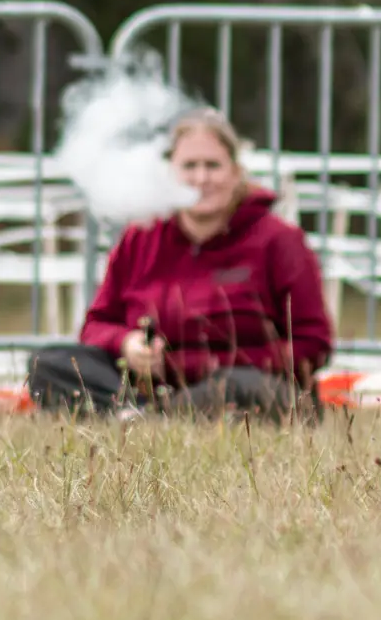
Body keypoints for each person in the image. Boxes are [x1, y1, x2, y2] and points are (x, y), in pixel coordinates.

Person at [28, 108, 332, 420]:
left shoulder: (280, 239)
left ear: (236, 171)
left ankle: (141, 418)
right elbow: (95, 327)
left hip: (242, 384)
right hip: (150, 386)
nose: (201, 179)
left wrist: (199, 366)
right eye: (189, 166)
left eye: (212, 166)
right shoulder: (139, 236)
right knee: (49, 364)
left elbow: (314, 344)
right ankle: (148, 416)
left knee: (239, 388)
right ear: (169, 171)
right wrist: (127, 345)